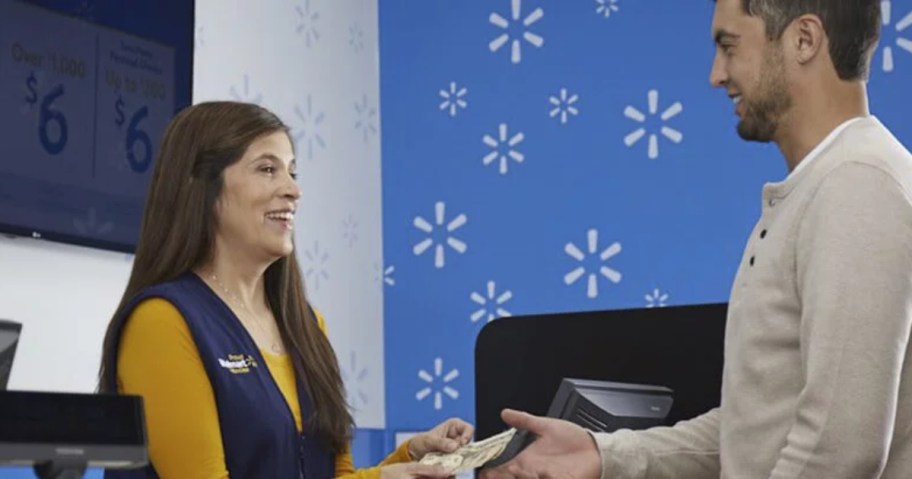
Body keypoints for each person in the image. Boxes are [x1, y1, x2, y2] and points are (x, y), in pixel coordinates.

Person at [482, 0, 912, 477]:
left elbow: (840, 453)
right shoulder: (822, 187)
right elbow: (755, 431)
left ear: (804, 40)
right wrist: (605, 453)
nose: (715, 74)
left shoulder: (855, 185)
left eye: (729, 46)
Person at [98, 101, 470, 478]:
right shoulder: (161, 321)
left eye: (292, 172)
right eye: (267, 169)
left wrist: (408, 460)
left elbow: (337, 475)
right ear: (201, 185)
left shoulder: (307, 324)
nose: (293, 190)